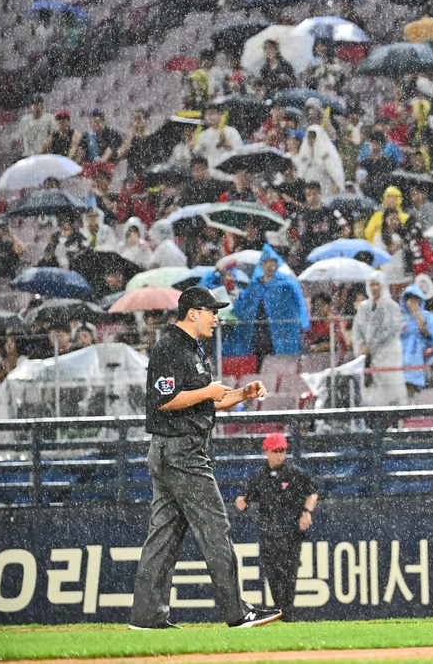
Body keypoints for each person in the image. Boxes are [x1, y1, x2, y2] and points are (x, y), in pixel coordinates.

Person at [130, 286, 281, 630]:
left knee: (163, 535)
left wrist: (242, 392)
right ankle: (237, 612)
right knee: (215, 528)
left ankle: (146, 617)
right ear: (193, 313)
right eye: (211, 310)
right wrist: (207, 391)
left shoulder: (191, 347)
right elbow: (162, 400)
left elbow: (207, 401)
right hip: (181, 451)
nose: (216, 317)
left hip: (172, 451)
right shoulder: (170, 346)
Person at [235, 432, 318, 623]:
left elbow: (312, 492)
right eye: (275, 451)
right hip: (268, 531)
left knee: (289, 572)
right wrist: (242, 502)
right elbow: (246, 499)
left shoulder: (295, 473)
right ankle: (281, 610)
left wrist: (306, 512)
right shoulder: (259, 476)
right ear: (266, 452)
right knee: (273, 573)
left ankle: (285, 611)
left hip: (290, 531)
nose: (279, 455)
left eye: (282, 451)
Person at [225, 245, 311, 361]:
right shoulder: (255, 285)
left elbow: (299, 303)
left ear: (277, 264)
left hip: (282, 331)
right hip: (258, 331)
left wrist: (304, 322)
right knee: (260, 361)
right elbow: (244, 305)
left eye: (272, 262)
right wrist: (229, 317)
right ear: (261, 265)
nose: (269, 265)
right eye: (266, 262)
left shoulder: (288, 283)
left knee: (282, 362)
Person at [353, 272, 407, 406]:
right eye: (371, 284)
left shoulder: (392, 307)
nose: (374, 288)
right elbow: (357, 329)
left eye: (377, 284)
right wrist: (361, 345)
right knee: (372, 390)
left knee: (392, 387)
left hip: (388, 354)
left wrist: (371, 346)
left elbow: (390, 330)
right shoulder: (364, 307)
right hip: (369, 356)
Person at [399, 284, 433, 400]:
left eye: (415, 298)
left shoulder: (430, 317)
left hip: (423, 359)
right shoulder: (401, 320)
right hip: (401, 359)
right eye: (408, 298)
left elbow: (431, 339)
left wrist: (417, 313)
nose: (411, 302)